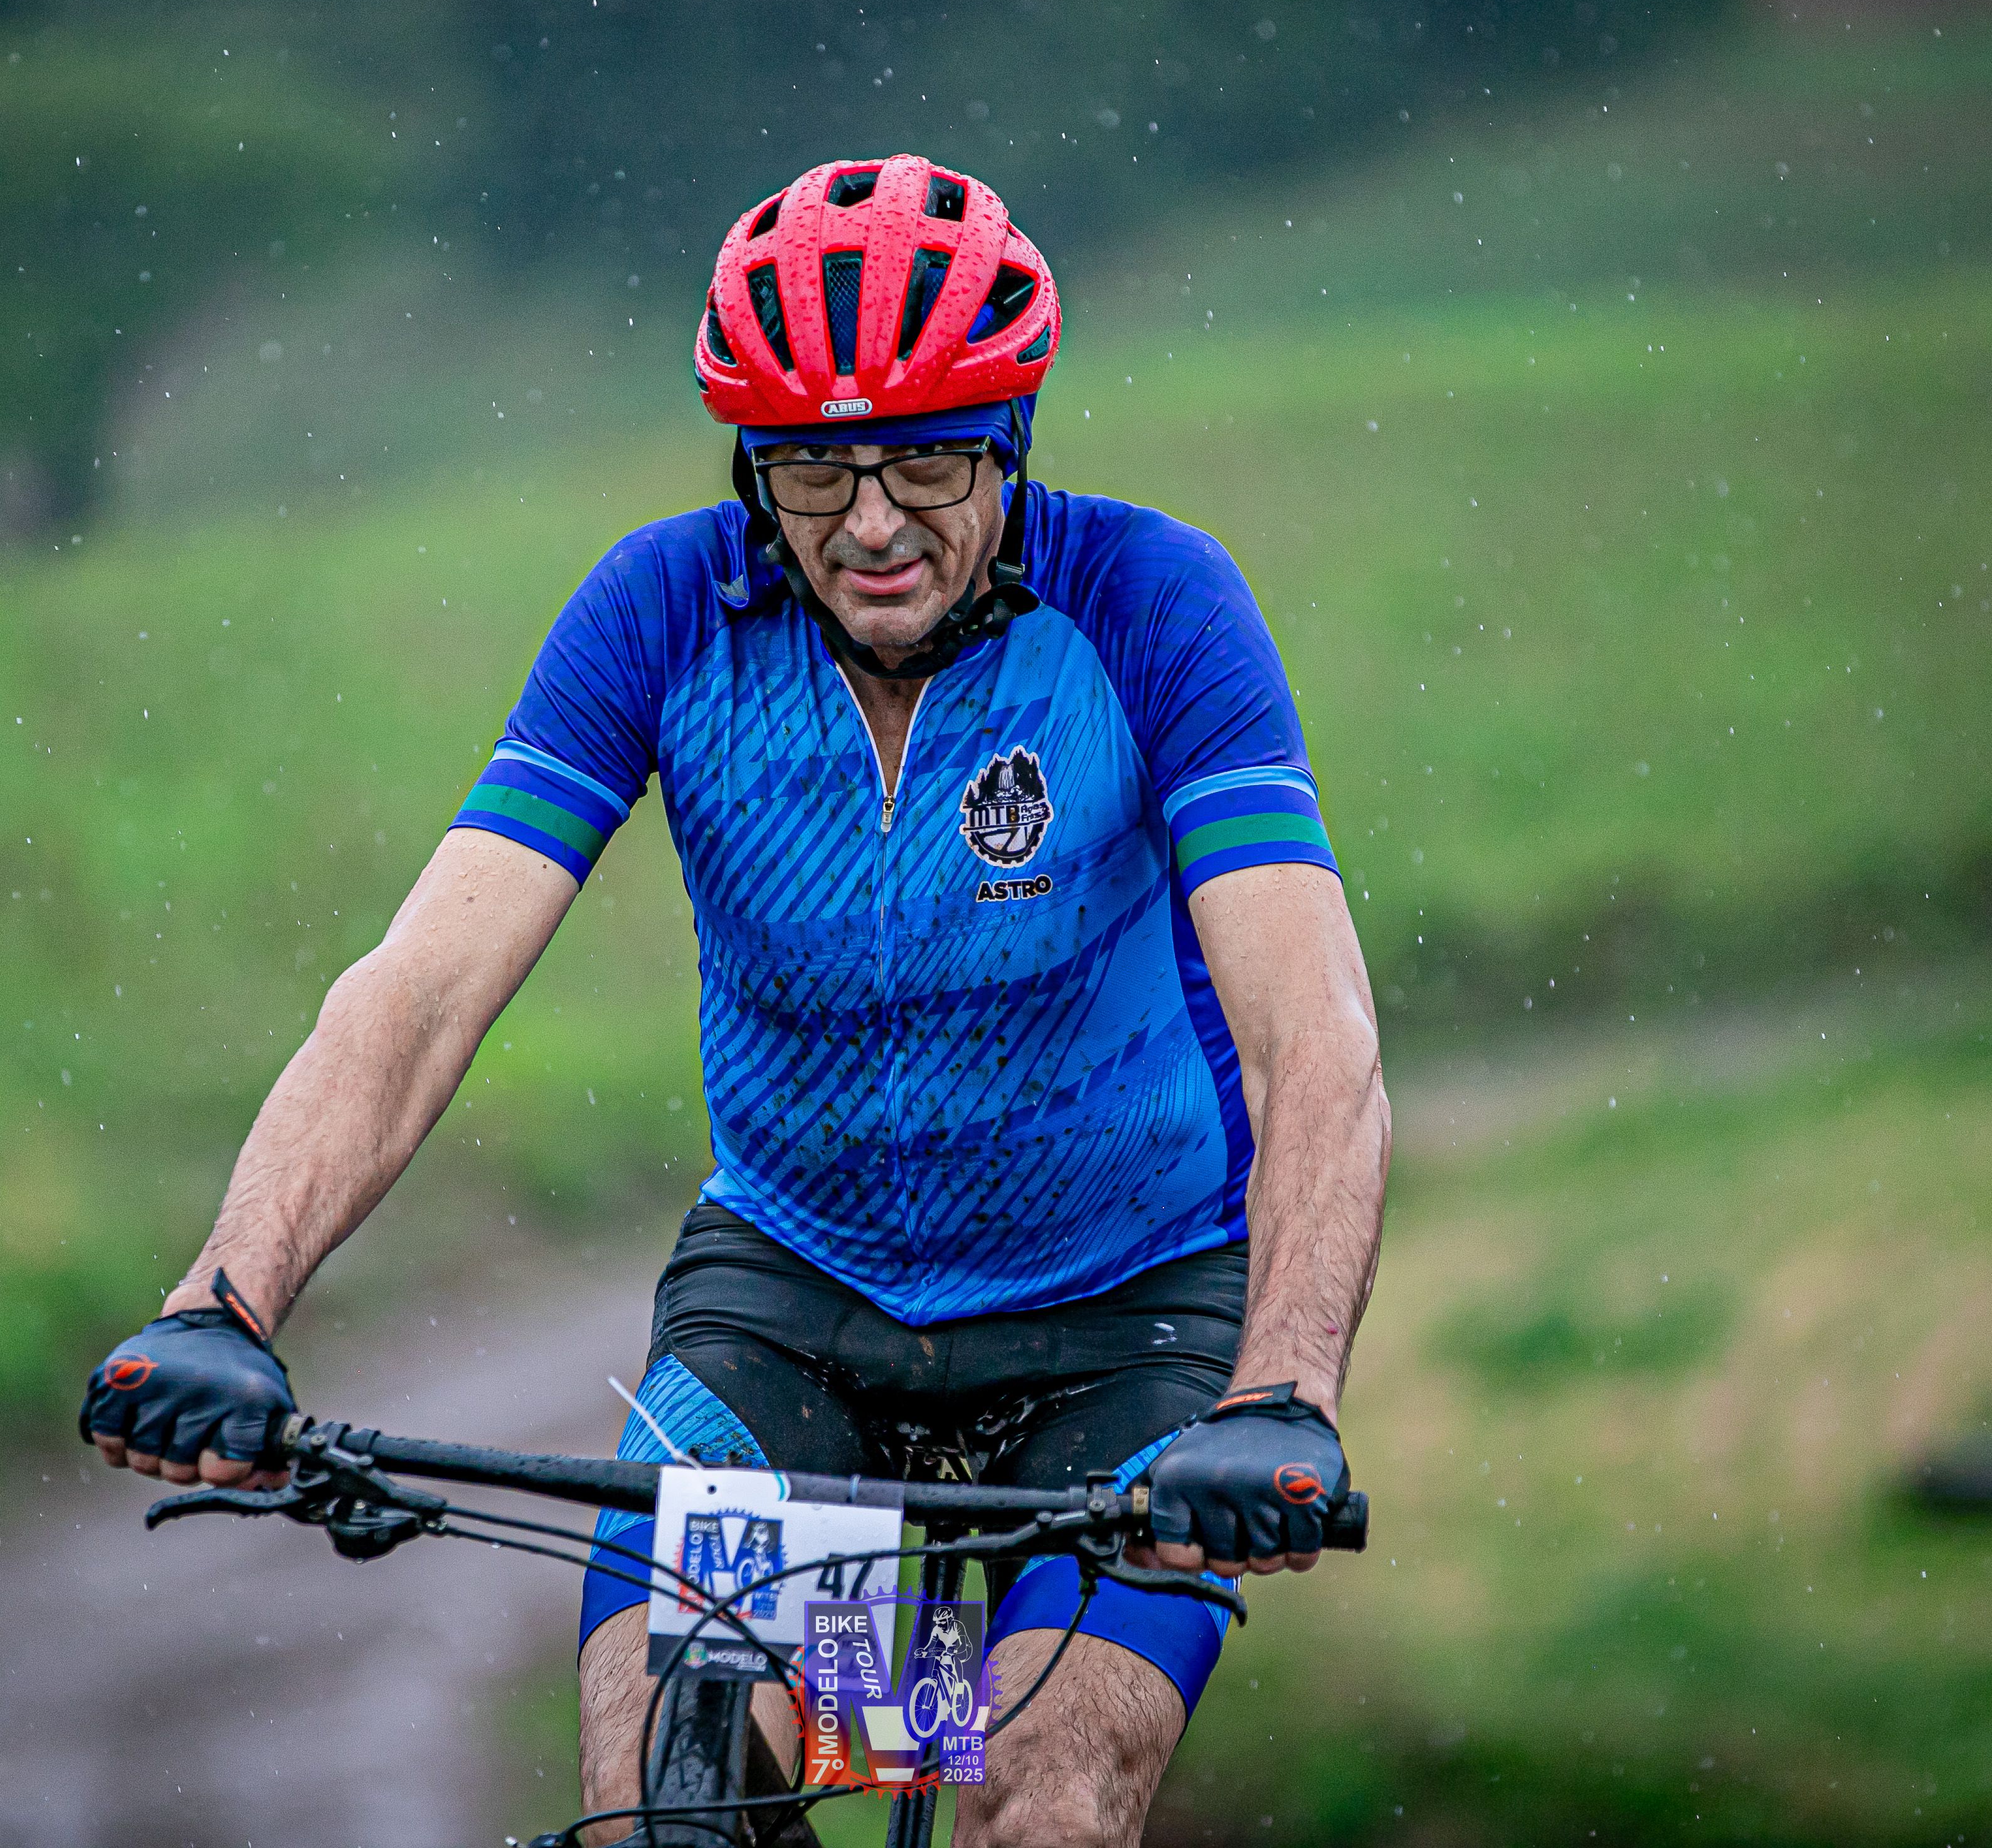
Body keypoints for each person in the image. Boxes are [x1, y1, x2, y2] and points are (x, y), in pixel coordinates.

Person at [79, 153, 1391, 1845]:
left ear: (1012, 441)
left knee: (1040, 1804)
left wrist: (1283, 1393)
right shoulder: (664, 612)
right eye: (812, 470)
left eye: (925, 462)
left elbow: (1313, 1042)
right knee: (671, 1806)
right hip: (798, 1320)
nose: (869, 525)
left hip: (1125, 1324)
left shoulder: (1151, 605)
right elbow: (416, 995)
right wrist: (222, 1304)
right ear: (750, 464)